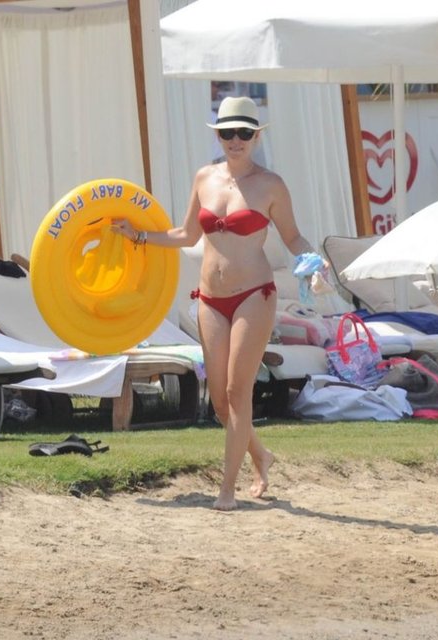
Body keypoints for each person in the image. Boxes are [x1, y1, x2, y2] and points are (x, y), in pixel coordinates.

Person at [112, 96, 316, 510]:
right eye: (227, 133)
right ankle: (261, 456)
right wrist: (137, 235)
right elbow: (186, 235)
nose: (235, 140)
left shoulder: (271, 184)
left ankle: (227, 491)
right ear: (218, 136)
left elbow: (293, 237)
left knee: (238, 392)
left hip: (253, 295)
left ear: (256, 137)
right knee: (220, 401)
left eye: (243, 132)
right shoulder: (204, 177)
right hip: (210, 298)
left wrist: (313, 262)